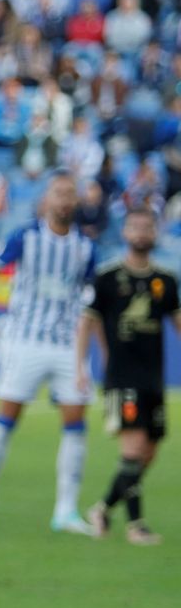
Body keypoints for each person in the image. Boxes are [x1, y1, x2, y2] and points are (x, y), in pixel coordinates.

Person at [0, 171, 98, 534]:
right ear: (46, 199)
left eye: (70, 194)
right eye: (58, 193)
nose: (64, 200)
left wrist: (95, 349)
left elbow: (92, 304)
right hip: (26, 341)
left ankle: (66, 510)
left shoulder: (86, 248)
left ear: (76, 200)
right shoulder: (24, 237)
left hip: (68, 345)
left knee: (76, 424)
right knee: (7, 418)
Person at [77, 208, 179, 544]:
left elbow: (177, 323)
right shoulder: (107, 277)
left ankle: (102, 510)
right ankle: (136, 526)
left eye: (147, 227)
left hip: (153, 378)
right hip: (121, 378)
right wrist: (80, 367)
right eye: (135, 227)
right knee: (133, 449)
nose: (141, 232)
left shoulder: (166, 279)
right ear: (124, 232)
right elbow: (87, 322)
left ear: (155, 233)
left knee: (149, 452)